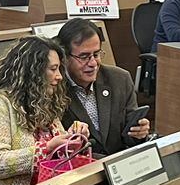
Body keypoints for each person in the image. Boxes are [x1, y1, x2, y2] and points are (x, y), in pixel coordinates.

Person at [0, 35, 85, 185]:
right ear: (33, 71)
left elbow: (59, 155)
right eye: (53, 69)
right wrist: (47, 148)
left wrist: (73, 139)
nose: (59, 76)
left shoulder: (41, 102)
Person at [57, 17, 150, 157]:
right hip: (80, 169)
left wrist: (139, 134)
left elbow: (130, 139)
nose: (93, 63)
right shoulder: (54, 88)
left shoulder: (120, 79)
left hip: (120, 165)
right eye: (84, 57)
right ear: (64, 56)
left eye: (96, 54)